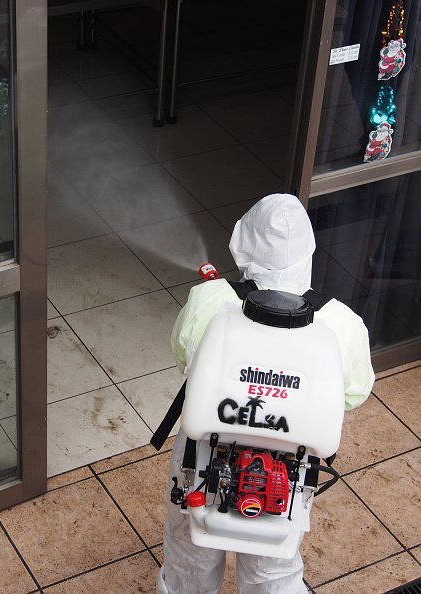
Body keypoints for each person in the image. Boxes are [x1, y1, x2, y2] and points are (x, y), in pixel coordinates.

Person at [156, 193, 375, 594]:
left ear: (246, 242)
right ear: (308, 249)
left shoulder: (211, 298)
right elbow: (353, 395)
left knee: (191, 551)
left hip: (203, 454)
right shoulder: (342, 322)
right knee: (273, 564)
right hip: (288, 471)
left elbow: (182, 356)